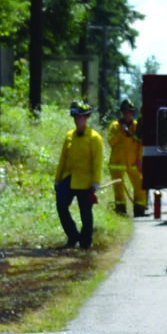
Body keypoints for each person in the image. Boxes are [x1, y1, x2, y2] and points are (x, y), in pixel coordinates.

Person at [54, 102, 109, 248]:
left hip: (86, 181)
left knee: (85, 212)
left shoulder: (94, 138)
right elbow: (62, 159)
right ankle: (73, 236)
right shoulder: (69, 136)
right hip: (69, 177)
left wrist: (95, 182)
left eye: (81, 117)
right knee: (61, 205)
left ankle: (85, 242)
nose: (78, 120)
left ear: (86, 118)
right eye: (76, 117)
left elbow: (97, 162)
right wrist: (58, 179)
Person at [107, 100, 147, 217]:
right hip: (117, 163)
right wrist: (121, 133)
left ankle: (139, 209)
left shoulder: (136, 127)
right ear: (122, 112)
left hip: (133, 162)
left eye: (130, 112)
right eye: (125, 112)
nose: (127, 115)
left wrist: (139, 160)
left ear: (132, 113)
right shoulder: (115, 126)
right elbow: (111, 142)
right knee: (118, 188)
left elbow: (140, 144)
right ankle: (121, 210)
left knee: (140, 184)